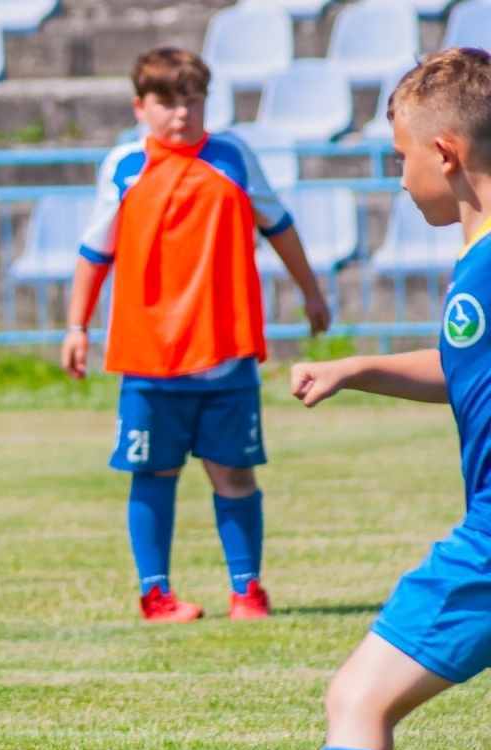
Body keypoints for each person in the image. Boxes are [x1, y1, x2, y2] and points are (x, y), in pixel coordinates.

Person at [172, 48, 491, 750]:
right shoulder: (475, 260)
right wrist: (356, 368)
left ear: (446, 152)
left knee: (359, 696)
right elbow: (461, 366)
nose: (397, 178)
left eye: (400, 159)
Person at [61, 47, 331, 623]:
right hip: (149, 355)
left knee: (234, 471)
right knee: (153, 471)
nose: (180, 114)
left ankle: (247, 591)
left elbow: (277, 223)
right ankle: (157, 596)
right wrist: (76, 326)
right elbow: (95, 250)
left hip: (225, 351)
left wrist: (310, 290)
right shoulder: (124, 166)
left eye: (192, 100)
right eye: (165, 102)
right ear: (140, 106)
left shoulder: (233, 155)